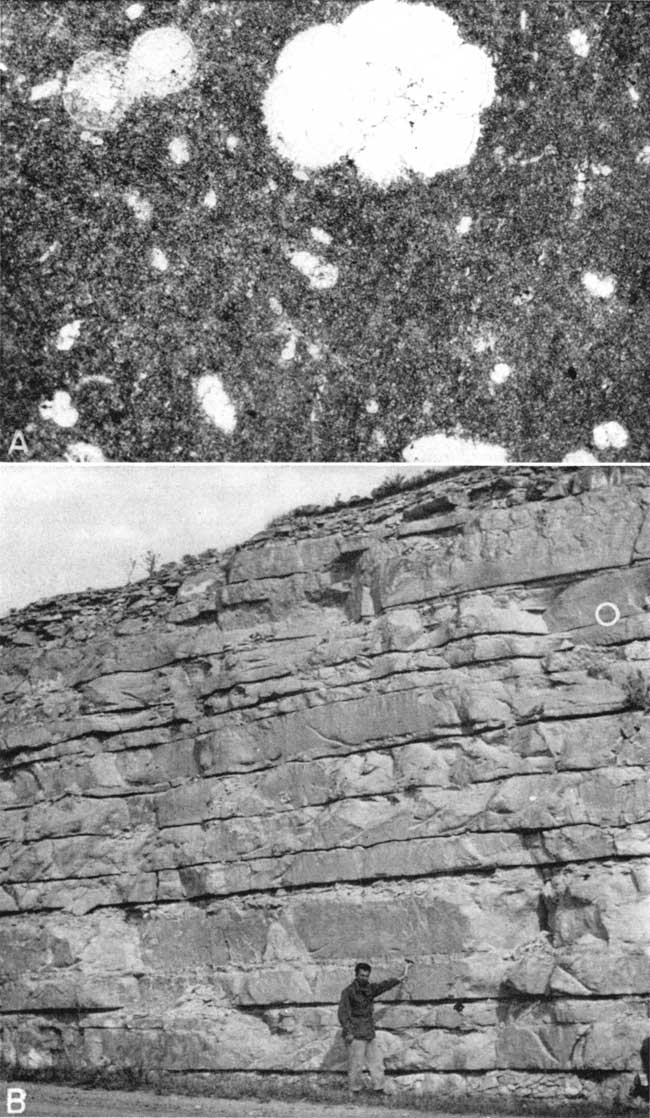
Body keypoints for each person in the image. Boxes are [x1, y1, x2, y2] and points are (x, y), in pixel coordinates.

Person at [338, 959, 411, 1094]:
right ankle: (354, 1091)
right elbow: (343, 1014)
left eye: (366, 976)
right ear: (356, 975)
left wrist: (399, 979)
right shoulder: (348, 992)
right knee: (356, 1066)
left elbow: (383, 986)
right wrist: (348, 1032)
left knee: (376, 1063)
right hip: (355, 1034)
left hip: (369, 1033)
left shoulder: (369, 989)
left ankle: (379, 1090)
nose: (364, 978)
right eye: (361, 975)